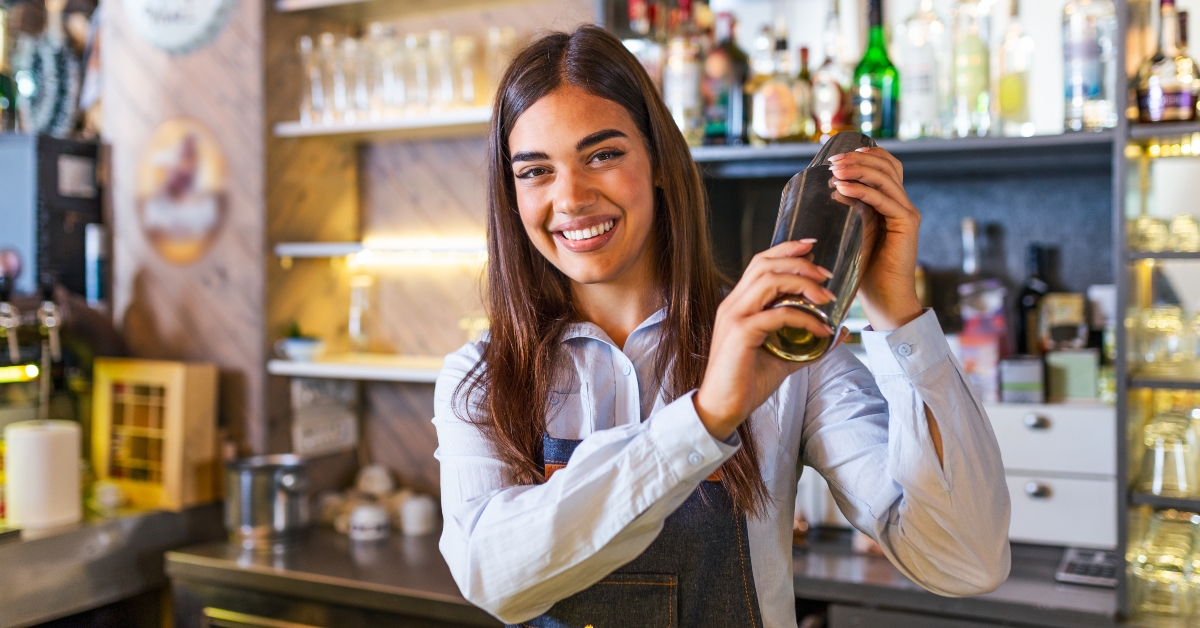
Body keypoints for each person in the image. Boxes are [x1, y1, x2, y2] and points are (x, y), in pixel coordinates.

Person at [433, 25, 1010, 628]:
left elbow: (965, 560)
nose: (572, 197)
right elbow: (491, 578)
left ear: (657, 160)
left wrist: (900, 314)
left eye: (602, 155)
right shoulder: (480, 377)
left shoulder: (781, 348)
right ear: (512, 193)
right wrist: (705, 418)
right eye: (535, 171)